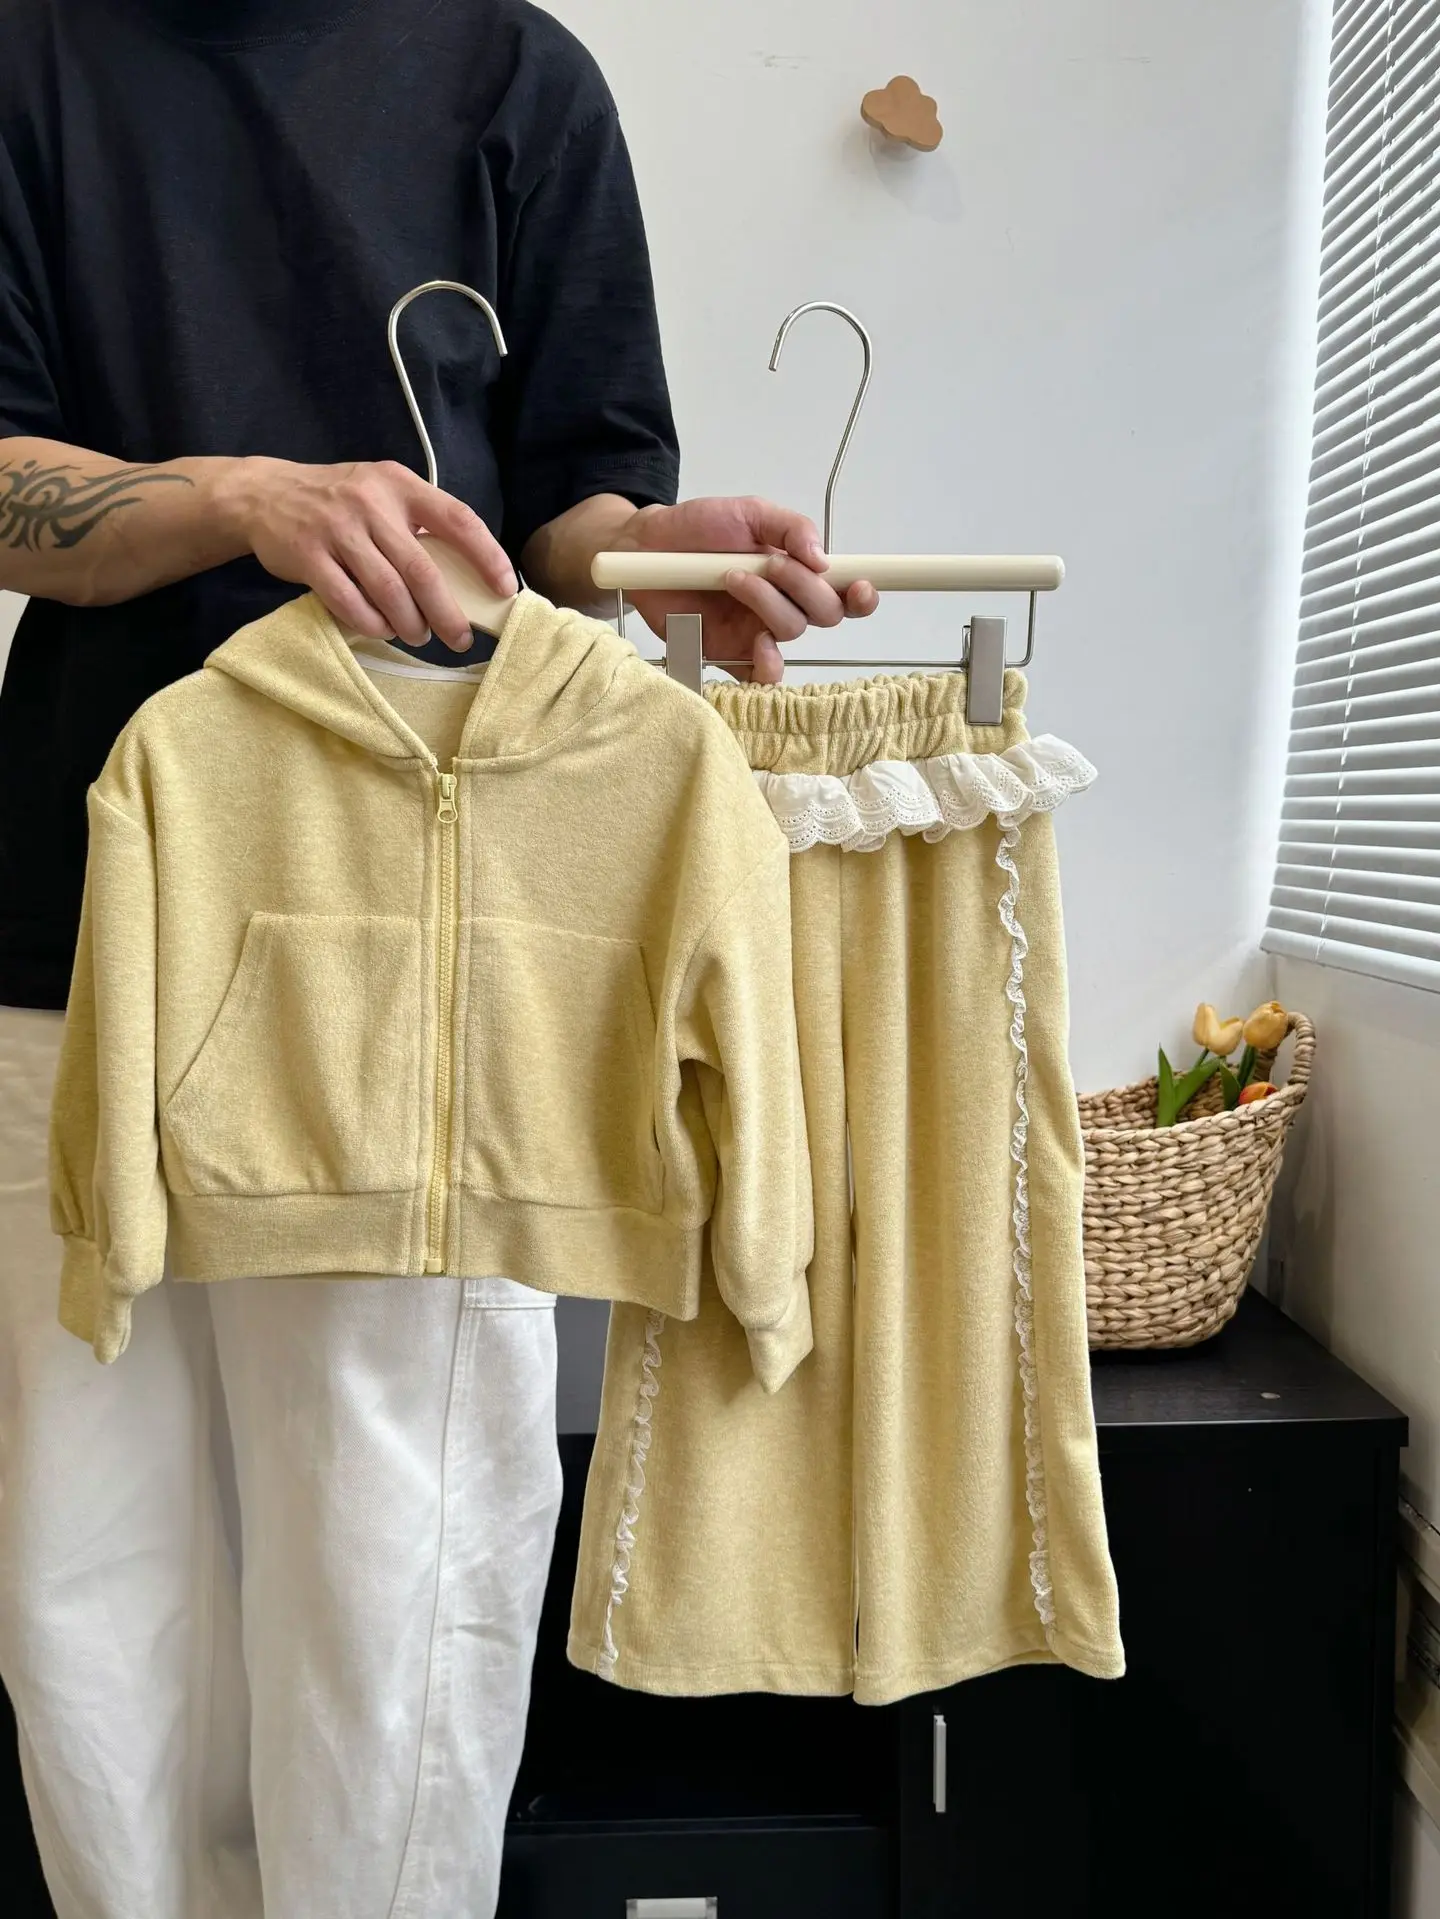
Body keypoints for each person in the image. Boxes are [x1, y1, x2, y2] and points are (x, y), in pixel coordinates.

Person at [0, 3, 876, 1914]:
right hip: (73, 921)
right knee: (85, 1574)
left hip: (416, 945)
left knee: (387, 1578)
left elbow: (568, 511)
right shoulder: (32, 60)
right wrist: (244, 494)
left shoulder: (517, 79)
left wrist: (657, 549)